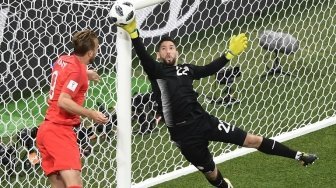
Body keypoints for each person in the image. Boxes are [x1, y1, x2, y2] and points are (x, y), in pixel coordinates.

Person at [118, 20, 318, 187]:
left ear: (176, 52)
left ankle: (299, 156)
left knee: (252, 140)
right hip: (184, 136)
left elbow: (209, 69)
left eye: (171, 48)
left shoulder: (187, 69)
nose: (168, 51)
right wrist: (134, 34)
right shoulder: (156, 72)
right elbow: (143, 56)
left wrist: (229, 54)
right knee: (212, 174)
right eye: (164, 49)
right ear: (158, 55)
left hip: (205, 121)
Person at [36, 29, 108, 188]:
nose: (97, 50)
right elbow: (63, 101)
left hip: (45, 131)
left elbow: (64, 72)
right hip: (59, 131)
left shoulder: (62, 60)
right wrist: (91, 114)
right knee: (75, 184)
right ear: (90, 53)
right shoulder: (77, 72)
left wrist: (86, 73)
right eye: (96, 48)